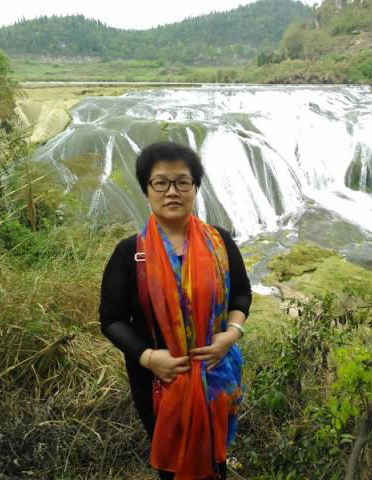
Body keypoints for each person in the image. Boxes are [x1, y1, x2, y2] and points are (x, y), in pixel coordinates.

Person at [98, 141, 252, 480]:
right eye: (161, 182)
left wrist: (231, 334)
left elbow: (241, 293)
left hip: (217, 375)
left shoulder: (221, 243)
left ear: (194, 188)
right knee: (171, 466)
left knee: (216, 460)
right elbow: (111, 320)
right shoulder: (130, 253)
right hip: (158, 380)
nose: (172, 191)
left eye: (182, 182)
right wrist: (150, 358)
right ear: (147, 190)